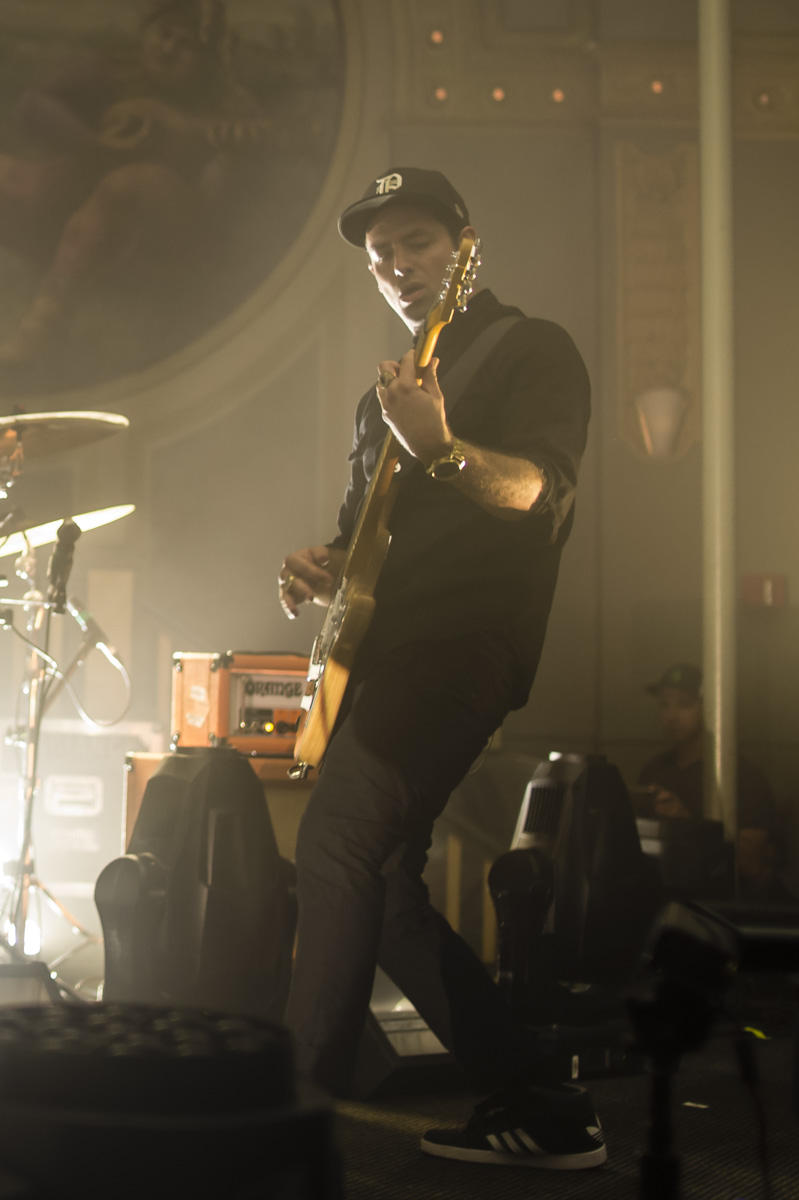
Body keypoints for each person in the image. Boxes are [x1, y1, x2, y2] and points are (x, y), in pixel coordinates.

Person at [278, 167, 603, 1169]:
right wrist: (319, 568)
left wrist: (446, 448)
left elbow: (539, 492)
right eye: (381, 258)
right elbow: (360, 546)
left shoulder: (530, 348)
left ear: (464, 247)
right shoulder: (387, 398)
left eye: (416, 243)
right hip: (386, 654)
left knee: (334, 840)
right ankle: (535, 1100)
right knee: (378, 881)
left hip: (464, 644)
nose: (398, 268)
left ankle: (287, 1110)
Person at [638, 663, 794, 902]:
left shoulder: (742, 777)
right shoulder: (654, 770)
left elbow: (752, 864)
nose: (672, 715)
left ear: (711, 708)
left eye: (684, 704)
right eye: (664, 705)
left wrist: (684, 820)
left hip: (720, 911)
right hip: (663, 904)